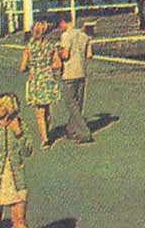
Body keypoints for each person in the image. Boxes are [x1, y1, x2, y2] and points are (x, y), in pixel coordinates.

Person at [0, 93, 40, 228]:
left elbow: (28, 151)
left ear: (8, 108)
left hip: (15, 180)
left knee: (19, 220)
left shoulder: (19, 124)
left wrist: (19, 132)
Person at [18, 21, 61, 149]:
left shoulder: (29, 48)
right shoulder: (51, 46)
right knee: (47, 109)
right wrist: (47, 67)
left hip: (36, 78)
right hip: (47, 77)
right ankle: (46, 133)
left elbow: (22, 67)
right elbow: (57, 64)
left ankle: (45, 138)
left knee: (39, 112)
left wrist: (29, 68)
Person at [55, 15, 94, 144]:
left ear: (63, 22)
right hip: (81, 72)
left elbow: (65, 55)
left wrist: (57, 54)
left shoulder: (66, 36)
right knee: (78, 103)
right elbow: (89, 54)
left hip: (69, 73)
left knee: (72, 104)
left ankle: (84, 132)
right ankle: (72, 130)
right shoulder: (85, 36)